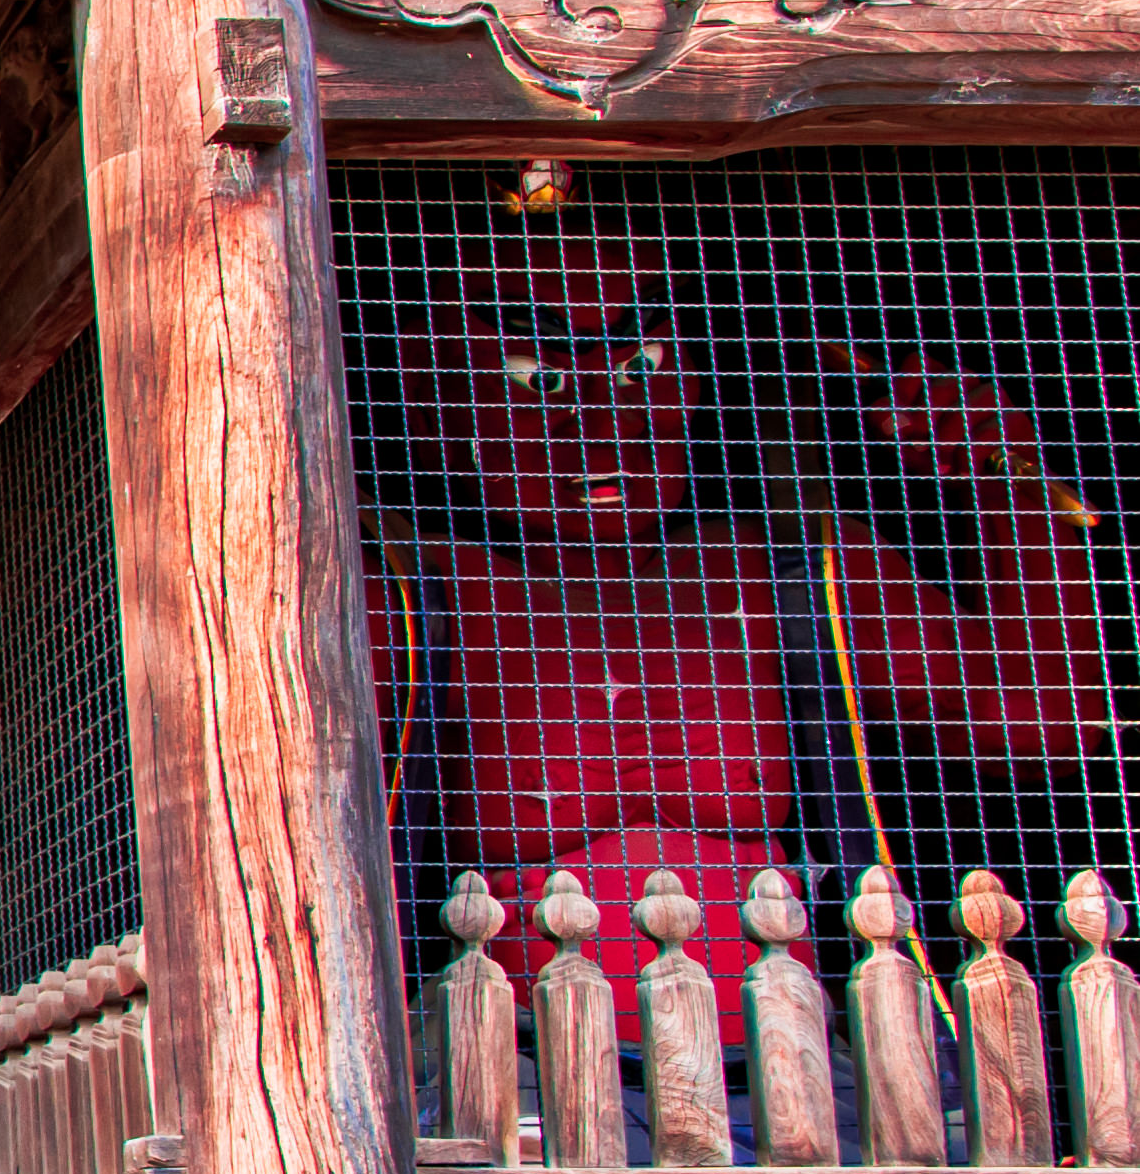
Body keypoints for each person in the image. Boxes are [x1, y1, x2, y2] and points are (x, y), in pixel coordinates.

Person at [368, 232, 1114, 1044]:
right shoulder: (398, 586)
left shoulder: (778, 565)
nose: (605, 421)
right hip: (520, 1065)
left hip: (790, 1061)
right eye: (537, 379)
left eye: (640, 367)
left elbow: (1044, 722)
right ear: (425, 394)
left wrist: (1003, 475)